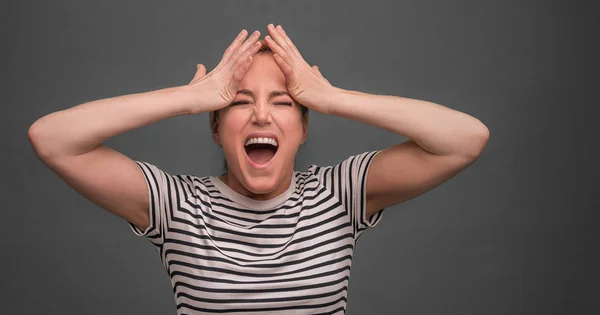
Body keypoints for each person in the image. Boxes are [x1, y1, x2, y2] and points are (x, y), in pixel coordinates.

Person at [28, 24, 489, 314]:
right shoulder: (176, 206)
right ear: (215, 128)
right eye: (240, 102)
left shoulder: (341, 195)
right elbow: (53, 140)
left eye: (284, 103)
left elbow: (464, 140)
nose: (262, 116)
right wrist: (188, 97)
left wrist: (332, 98)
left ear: (304, 127)